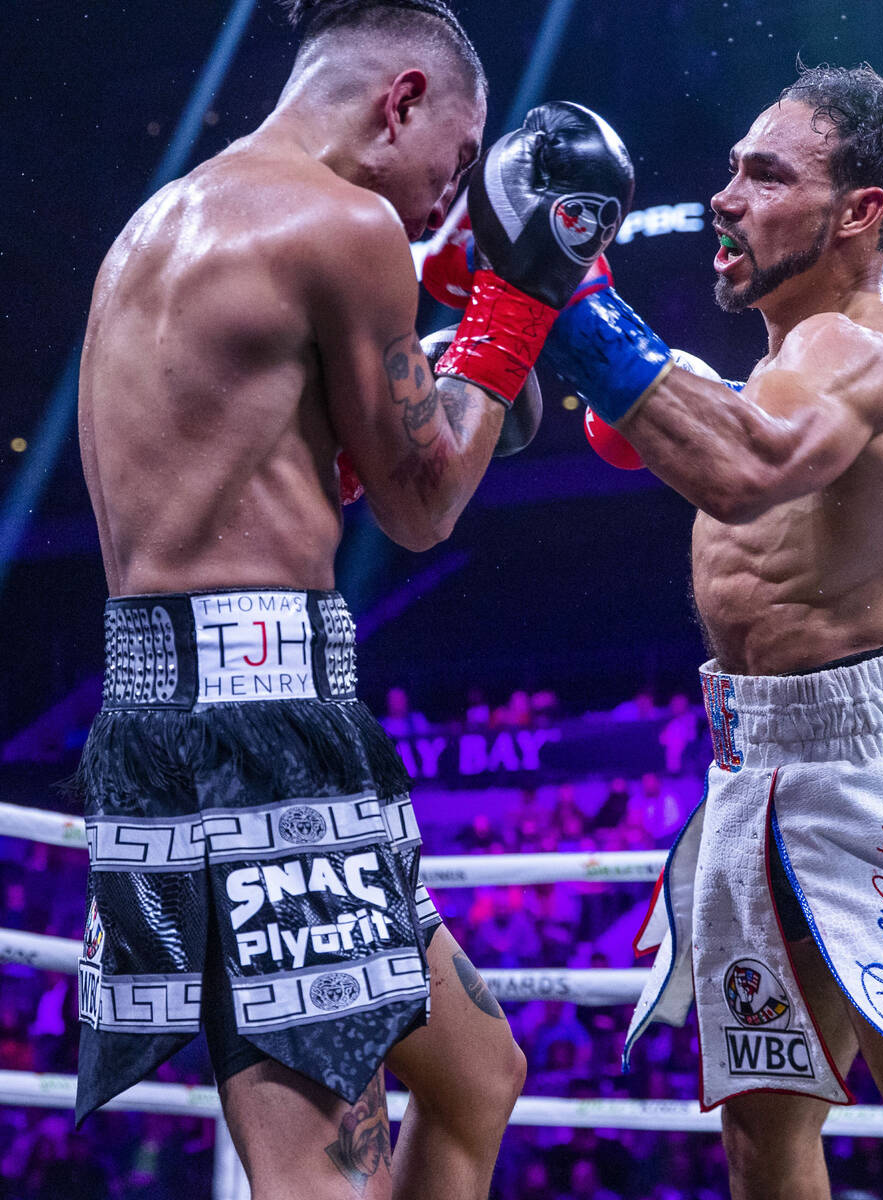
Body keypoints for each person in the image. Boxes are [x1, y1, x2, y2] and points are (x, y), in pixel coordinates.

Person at [73, 1, 631, 1196]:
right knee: (321, 1181)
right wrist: (515, 304)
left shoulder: (164, 223)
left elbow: (262, 458)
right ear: (404, 99)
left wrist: (457, 342)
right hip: (259, 729)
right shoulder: (344, 226)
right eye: (463, 156)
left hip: (198, 709)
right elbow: (419, 508)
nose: (459, 192)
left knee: (479, 1069)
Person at [511, 63, 883, 1199]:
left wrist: (566, 303)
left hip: (867, 772)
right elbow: (721, 435)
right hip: (752, 761)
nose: (726, 197)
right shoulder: (783, 357)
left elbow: (744, 471)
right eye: (730, 171)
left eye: (765, 176)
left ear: (858, 211)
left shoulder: (864, 345)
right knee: (763, 1135)